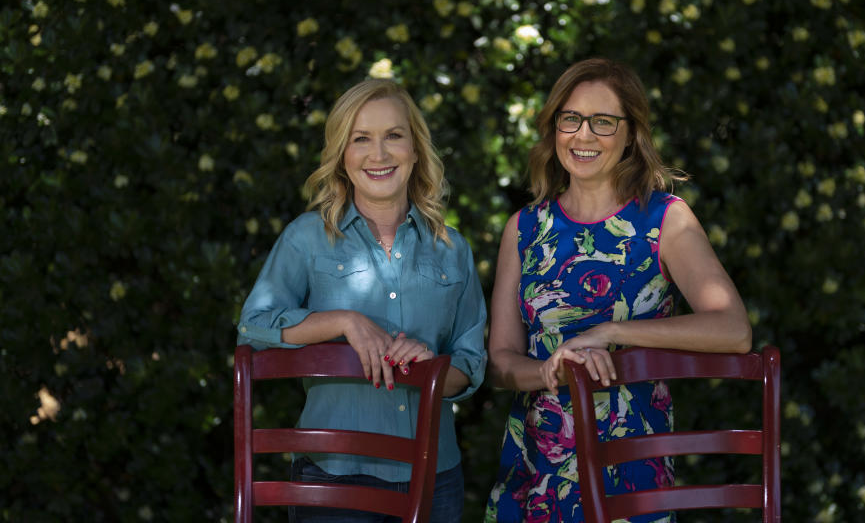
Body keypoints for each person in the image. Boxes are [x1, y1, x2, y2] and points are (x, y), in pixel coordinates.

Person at [484, 58, 752, 523]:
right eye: (571, 118)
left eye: (603, 122)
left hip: (633, 475)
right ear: (554, 128)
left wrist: (608, 332)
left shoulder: (664, 219)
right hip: (536, 472)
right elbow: (500, 363)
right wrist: (552, 371)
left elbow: (733, 330)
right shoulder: (525, 230)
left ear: (631, 134)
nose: (583, 135)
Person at [237, 79, 487, 523]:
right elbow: (254, 325)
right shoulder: (306, 238)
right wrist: (342, 321)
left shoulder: (453, 249)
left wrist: (431, 365)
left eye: (394, 135)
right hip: (333, 476)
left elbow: (470, 366)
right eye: (361, 139)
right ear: (342, 153)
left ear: (415, 148)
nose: (379, 154)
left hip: (433, 476)